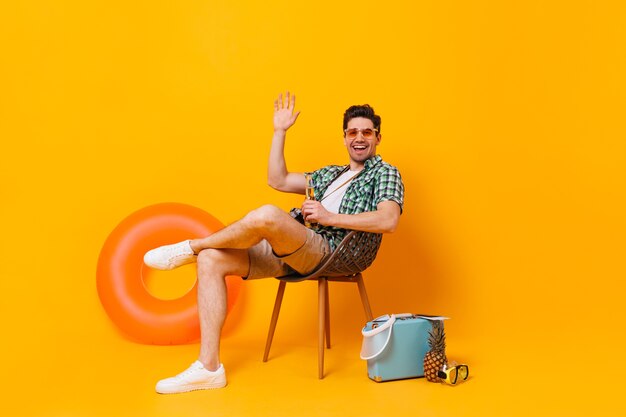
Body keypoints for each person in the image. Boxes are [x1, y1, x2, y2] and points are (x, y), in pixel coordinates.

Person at [144, 92, 404, 394]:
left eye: (367, 132)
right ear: (345, 137)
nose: (359, 138)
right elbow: (277, 180)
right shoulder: (331, 174)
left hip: (333, 251)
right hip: (295, 245)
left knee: (267, 214)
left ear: (378, 137)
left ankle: (191, 246)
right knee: (212, 260)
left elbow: (388, 220)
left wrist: (328, 216)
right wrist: (279, 132)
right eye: (353, 132)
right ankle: (209, 368)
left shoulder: (384, 172)